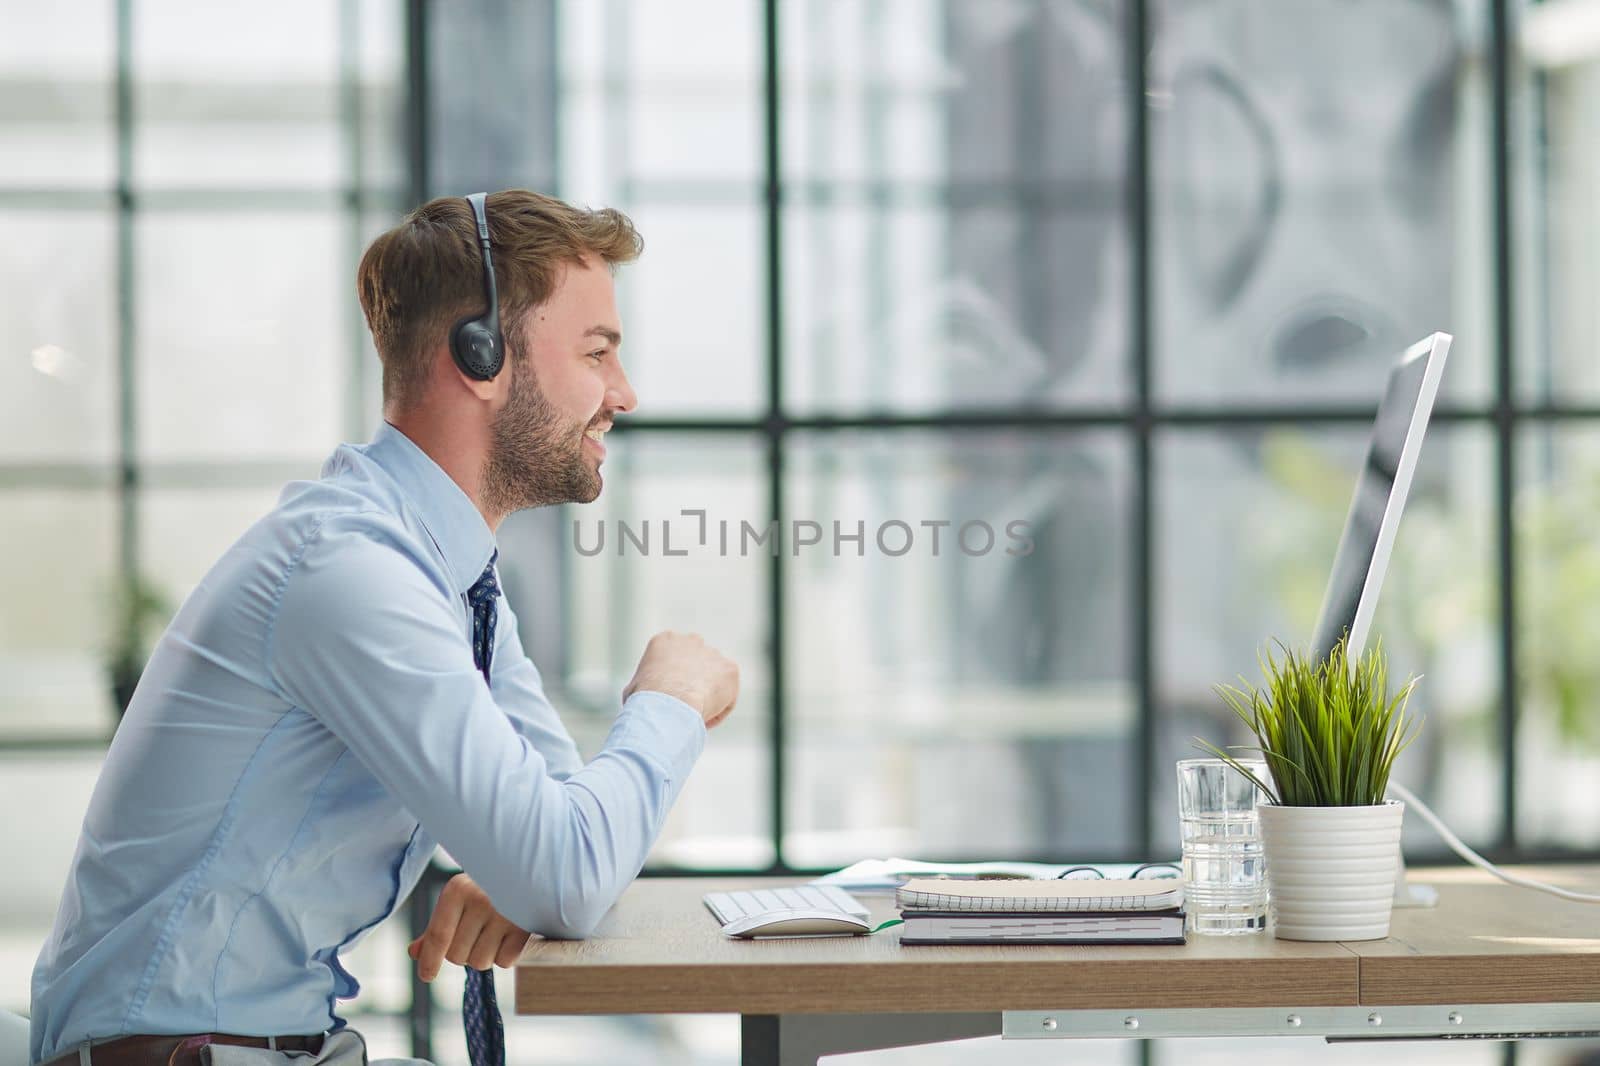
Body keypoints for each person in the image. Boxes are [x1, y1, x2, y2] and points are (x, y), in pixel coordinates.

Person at [28, 189, 740, 1066]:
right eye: (597, 354)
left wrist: (526, 874)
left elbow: (564, 843)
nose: (622, 395)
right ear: (479, 355)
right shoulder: (352, 573)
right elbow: (569, 867)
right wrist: (668, 699)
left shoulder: (450, 576)